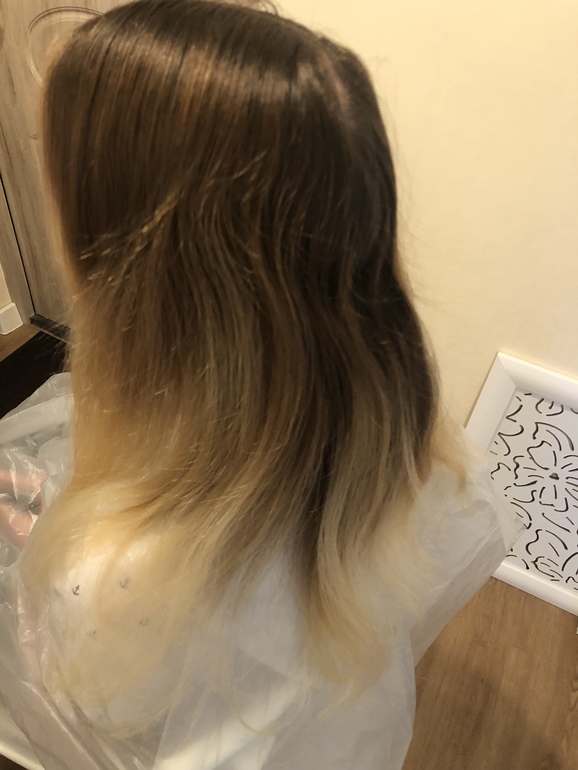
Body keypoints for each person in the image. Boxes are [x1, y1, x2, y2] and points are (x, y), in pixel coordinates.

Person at [0, 1, 522, 768]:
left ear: (129, 259)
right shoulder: (429, 453)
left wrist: (60, 558)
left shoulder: (120, 579)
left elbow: (102, 701)